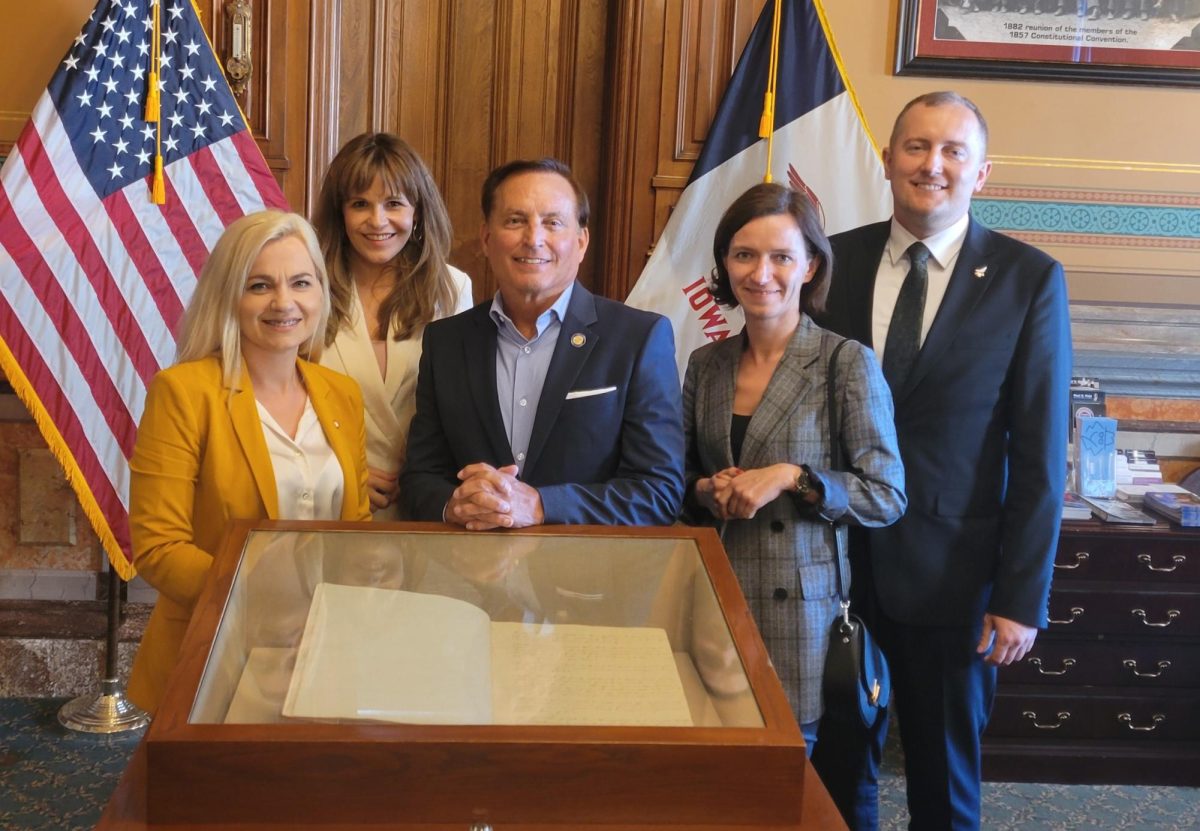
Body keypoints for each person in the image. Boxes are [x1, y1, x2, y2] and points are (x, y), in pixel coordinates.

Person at [813, 91, 1071, 830]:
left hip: (957, 581)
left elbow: (1039, 455)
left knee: (944, 783)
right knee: (834, 773)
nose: (933, 164)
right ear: (889, 160)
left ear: (982, 172)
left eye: (953, 151)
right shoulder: (831, 260)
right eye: (917, 147)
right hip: (834, 567)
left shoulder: (1029, 280)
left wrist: (1022, 594)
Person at [681, 182, 906, 753]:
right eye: (744, 255)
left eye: (782, 256)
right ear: (725, 265)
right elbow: (674, 483)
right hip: (714, 602)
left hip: (799, 623)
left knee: (780, 785)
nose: (762, 273)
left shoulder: (844, 361)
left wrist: (792, 476)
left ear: (809, 266)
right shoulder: (705, 363)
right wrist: (708, 489)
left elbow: (886, 495)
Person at [126, 210, 372, 713]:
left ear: (321, 294)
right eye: (260, 286)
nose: (284, 302)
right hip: (214, 651)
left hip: (325, 647)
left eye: (301, 282)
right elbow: (159, 548)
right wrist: (262, 598)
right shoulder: (184, 392)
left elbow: (357, 525)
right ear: (229, 297)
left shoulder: (341, 395)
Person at [401, 158, 684, 528]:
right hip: (470, 576)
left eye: (553, 222)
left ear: (581, 241)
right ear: (487, 238)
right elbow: (420, 478)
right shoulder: (446, 343)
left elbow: (659, 493)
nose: (533, 238)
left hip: (590, 581)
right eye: (515, 221)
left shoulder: (638, 339)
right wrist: (454, 505)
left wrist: (542, 506)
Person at [313, 133, 472, 520]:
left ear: (417, 212)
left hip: (421, 504)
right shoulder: (306, 286)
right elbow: (278, 399)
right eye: (360, 204)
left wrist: (425, 476)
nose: (377, 220)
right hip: (328, 500)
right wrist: (338, 474)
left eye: (394, 204)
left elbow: (461, 407)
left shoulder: (451, 288)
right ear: (340, 213)